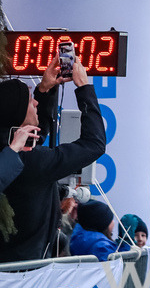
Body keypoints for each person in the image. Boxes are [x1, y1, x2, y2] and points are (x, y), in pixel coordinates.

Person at [0, 56, 105, 261]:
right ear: (18, 113)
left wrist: (45, 90)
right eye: (31, 100)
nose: (36, 102)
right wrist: (84, 88)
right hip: (25, 274)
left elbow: (31, 143)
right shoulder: (33, 161)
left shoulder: (12, 153)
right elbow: (94, 144)